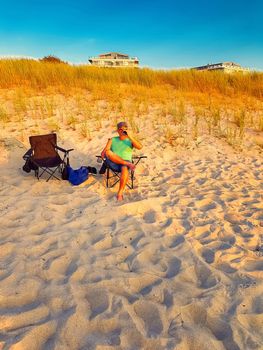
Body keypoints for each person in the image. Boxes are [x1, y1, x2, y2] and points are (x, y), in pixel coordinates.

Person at [101, 121, 142, 201]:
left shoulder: (130, 140)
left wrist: (129, 136)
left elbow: (140, 147)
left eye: (125, 129)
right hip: (113, 163)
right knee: (108, 152)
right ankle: (127, 163)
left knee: (125, 168)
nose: (122, 131)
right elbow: (104, 153)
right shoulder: (112, 140)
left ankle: (120, 192)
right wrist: (105, 151)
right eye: (120, 129)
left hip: (125, 164)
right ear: (117, 130)